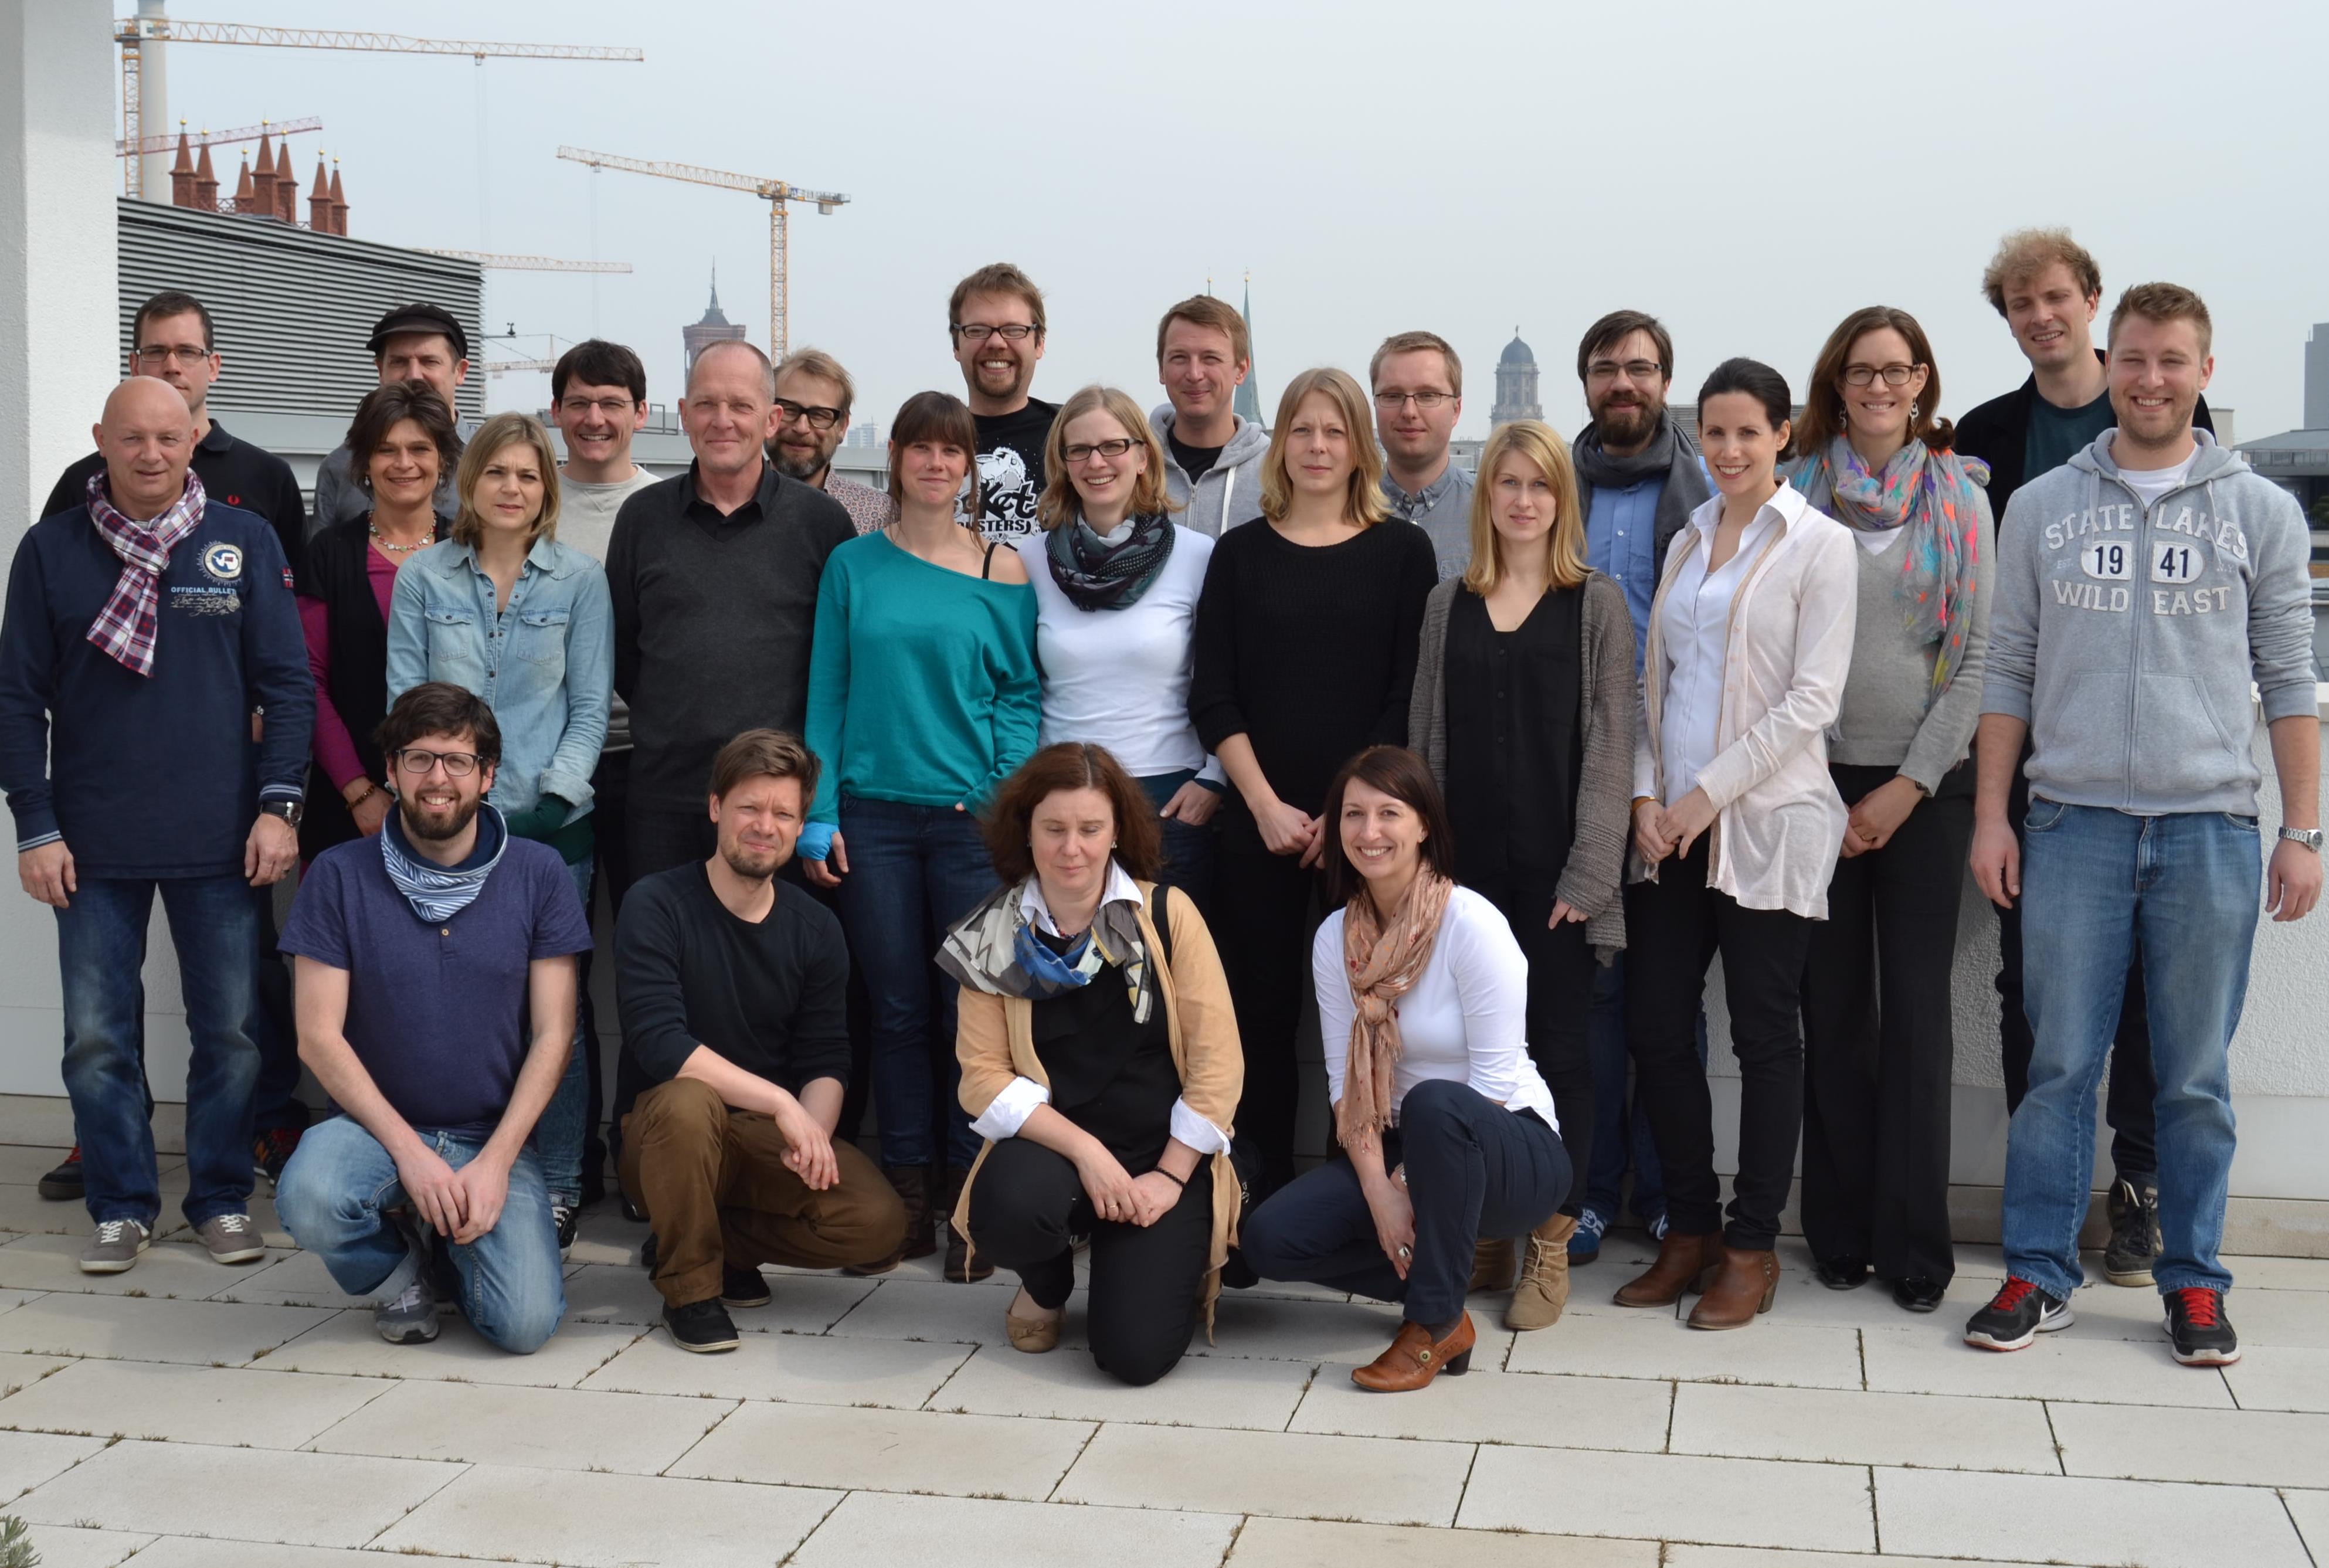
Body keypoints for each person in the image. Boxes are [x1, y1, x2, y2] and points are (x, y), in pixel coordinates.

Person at [1965, 283, 2318, 1367]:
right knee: (2059, 1061)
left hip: (2209, 825)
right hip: (2071, 821)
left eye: (2172, 359)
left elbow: (2289, 679)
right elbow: (2007, 668)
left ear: (2205, 371)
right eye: (2133, 358)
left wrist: (2302, 829)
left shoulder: (2257, 509)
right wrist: (1991, 813)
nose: (2150, 378)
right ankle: (2036, 1270)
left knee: (2194, 1074)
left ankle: (2195, 1282)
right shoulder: (2041, 507)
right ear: (2105, 361)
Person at [1955, 230, 2219, 1288]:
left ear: (2094, 307)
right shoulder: (1984, 434)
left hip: (2170, 775)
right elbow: (1995, 623)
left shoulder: (2172, 424)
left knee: (2157, 1002)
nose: (2038, 316)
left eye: (2054, 297)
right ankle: (2048, 1199)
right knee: (2037, 997)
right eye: (2019, 303)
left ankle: (2141, 1188)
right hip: (2037, 766)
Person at [0, 378, 311, 1274]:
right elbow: (17, 700)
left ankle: (218, 1197)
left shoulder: (242, 541)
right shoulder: (50, 550)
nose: (151, 454)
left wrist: (278, 804)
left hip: (223, 839)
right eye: (132, 437)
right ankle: (121, 1204)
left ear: (194, 435)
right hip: (88, 843)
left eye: (169, 437)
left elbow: (288, 687)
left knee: (233, 1032)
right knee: (99, 1035)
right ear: (101, 437)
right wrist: (35, 825)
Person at [1617, 358, 1856, 1331]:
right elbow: (1653, 683)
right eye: (1712, 432)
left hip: (1763, 825)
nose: (1727, 450)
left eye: (1746, 432)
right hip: (1665, 830)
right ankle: (1688, 1227)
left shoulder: (1818, 545)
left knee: (1764, 1039)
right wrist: (1644, 792)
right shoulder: (1684, 540)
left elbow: (1813, 700)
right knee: (1659, 1031)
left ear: (1782, 435)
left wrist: (1700, 798)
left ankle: (1751, 1245)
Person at [1781, 308, 1995, 1313]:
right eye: (1859, 370)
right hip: (1812, 784)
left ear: (1921, 381)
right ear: (1838, 380)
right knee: (1832, 1013)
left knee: (1915, 1015)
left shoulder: (1961, 497)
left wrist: (1908, 783)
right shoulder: (1796, 493)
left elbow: (1977, 660)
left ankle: (1913, 1242)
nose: (1877, 386)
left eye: (1895, 370)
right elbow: (1773, 649)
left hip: (1927, 791)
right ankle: (1837, 1226)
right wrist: (1822, 781)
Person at [800, 390, 1040, 1280]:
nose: (937, 465)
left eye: (954, 451)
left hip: (968, 826)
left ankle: (971, 1198)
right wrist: (817, 812)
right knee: (896, 1010)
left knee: (970, 1014)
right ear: (895, 458)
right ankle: (907, 1190)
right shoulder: (852, 567)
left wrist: (995, 795)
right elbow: (826, 693)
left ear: (969, 465)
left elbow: (1020, 700)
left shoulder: (1000, 570)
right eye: (921, 449)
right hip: (870, 821)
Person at [1240, 747, 1569, 1392]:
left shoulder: (1471, 925)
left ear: (1424, 826)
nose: (1370, 832)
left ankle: (1434, 1322)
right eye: (1353, 814)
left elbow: (1498, 1084)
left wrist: (1407, 1181)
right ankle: (1440, 1285)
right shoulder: (1335, 937)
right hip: (1402, 1145)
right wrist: (1380, 1193)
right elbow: (1345, 1083)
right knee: (1271, 1240)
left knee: (1436, 1104)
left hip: (1511, 1146)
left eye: (1389, 812)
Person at [274, 683, 587, 1351]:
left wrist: (497, 1162)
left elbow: (555, 1034)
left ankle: (447, 1242)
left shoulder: (540, 873)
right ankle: (398, 1273)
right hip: (374, 1132)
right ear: (390, 770)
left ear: (489, 774)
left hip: (488, 1137)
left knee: (526, 1326)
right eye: (418, 759)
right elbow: (316, 1034)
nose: (437, 778)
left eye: (457, 760)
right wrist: (411, 1157)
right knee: (309, 1194)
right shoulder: (337, 874)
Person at [1189, 367, 1438, 1202]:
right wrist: (1262, 804)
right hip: (1259, 824)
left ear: (1358, 445)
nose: (1320, 446)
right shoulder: (1240, 553)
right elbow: (1213, 691)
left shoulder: (1403, 552)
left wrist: (1350, 815)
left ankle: (1360, 1196)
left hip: (1365, 835)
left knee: (1370, 1017)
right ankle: (1252, 1193)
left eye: (1336, 431)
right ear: (1280, 443)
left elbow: (1405, 692)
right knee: (1257, 1014)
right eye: (1303, 429)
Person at [1408, 419, 1634, 1327]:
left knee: (1563, 1057)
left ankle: (1549, 1238)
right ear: (1487, 495)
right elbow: (1424, 739)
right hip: (1463, 878)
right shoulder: (1446, 602)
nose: (1525, 500)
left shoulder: (1599, 604)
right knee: (1470, 1059)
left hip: (1559, 877)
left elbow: (1617, 745)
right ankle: (1485, 1229)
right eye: (1508, 483)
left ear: (1561, 500)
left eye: (1541, 485)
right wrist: (1421, 872)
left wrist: (1590, 873)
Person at [946, 742, 1242, 1385]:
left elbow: (1219, 1062)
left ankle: (1150, 1263)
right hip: (1059, 1153)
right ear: (1026, 830)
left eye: (1090, 829)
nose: (1070, 848)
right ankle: (1049, 1285)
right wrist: (1087, 1153)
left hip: (1162, 1158)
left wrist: (1168, 1174)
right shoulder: (991, 933)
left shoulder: (1167, 915)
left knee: (1133, 1358)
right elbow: (982, 1078)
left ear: (1117, 833)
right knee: (1006, 1208)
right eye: (1053, 828)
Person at [388, 412, 613, 1253]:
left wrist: (550, 802)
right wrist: (456, 800)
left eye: (528, 475)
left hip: (554, 830)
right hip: (446, 828)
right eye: (497, 474)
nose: (512, 488)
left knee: (555, 1014)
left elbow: (590, 708)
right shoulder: (424, 580)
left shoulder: (579, 581)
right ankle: (449, 1170)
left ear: (545, 489)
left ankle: (557, 1182)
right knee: (452, 1002)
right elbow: (405, 704)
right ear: (469, 485)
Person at [617, 729, 907, 1353]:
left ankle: (713, 1241)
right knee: (690, 1100)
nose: (764, 826)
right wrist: (782, 1105)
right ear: (716, 806)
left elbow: (827, 1053)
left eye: (783, 813)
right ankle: (690, 1291)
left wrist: (814, 1138)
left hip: (758, 1141)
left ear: (801, 822)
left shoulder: (816, 928)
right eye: (750, 807)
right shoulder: (657, 903)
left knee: (880, 1224)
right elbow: (660, 1041)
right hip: (666, 1135)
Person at [1566, 311, 1715, 1265]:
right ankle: (1581, 1185)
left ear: (1665, 379)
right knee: (1586, 992)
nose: (1623, 382)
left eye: (1640, 367)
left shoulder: (1704, 488)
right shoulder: (1556, 476)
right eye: (1606, 368)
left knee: (1667, 996)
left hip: (1672, 766)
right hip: (1574, 757)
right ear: (1583, 380)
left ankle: (1667, 1192)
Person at [607, 338, 855, 885]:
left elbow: (837, 666)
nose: (723, 421)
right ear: (685, 415)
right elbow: (624, 647)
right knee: (659, 960)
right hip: (664, 798)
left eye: (740, 406)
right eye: (707, 404)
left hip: (777, 802)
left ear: (770, 420)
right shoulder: (641, 519)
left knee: (771, 967)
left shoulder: (824, 525)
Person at [1017, 385, 1222, 909]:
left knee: (1169, 969)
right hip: (1062, 800)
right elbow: (1014, 685)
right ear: (1061, 464)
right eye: (1079, 450)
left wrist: (1214, 779)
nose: (1096, 462)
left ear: (1142, 456)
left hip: (1170, 800)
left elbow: (1228, 678)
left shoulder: (1199, 557)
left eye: (1112, 446)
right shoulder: (1027, 560)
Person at [546, 338, 661, 1203]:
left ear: (639, 414)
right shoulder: (529, 500)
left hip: (649, 766)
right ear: (558, 411)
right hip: (551, 776)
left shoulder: (662, 507)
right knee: (557, 970)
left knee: (650, 966)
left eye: (611, 403)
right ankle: (566, 1150)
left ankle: (642, 1150)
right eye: (579, 402)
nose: (595, 418)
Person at [297, 385, 460, 863]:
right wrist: (360, 793)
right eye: (385, 449)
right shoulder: (328, 553)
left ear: (443, 460)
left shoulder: (474, 553)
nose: (403, 463)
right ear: (364, 462)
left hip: (454, 804)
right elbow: (310, 681)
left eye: (419, 449)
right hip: (348, 807)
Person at [43, 289, 307, 577]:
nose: (172, 367)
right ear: (134, 365)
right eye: (156, 352)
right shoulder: (83, 480)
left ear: (213, 366)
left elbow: (295, 599)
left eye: (188, 352)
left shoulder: (268, 477)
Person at [311, 303, 477, 532]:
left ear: (460, 371)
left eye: (429, 361)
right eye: (399, 362)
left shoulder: (492, 460)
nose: (414, 375)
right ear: (380, 370)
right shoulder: (340, 466)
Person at [948, 263, 1057, 541]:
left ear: (1039, 342)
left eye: (1013, 330)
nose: (996, 343)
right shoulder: (931, 438)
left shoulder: (1073, 435)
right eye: (978, 330)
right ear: (956, 345)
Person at [1149, 296, 1268, 538]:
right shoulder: (1131, 466)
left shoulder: (1277, 472)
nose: (1194, 374)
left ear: (1242, 369)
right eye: (1179, 358)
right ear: (1162, 369)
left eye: (1210, 358)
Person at [1371, 331, 1474, 579]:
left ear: (1456, 410)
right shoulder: (1342, 511)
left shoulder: (1494, 512)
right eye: (1393, 396)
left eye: (1428, 395)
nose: (1409, 411)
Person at [771, 347, 895, 534]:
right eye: (789, 410)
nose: (802, 427)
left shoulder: (881, 517)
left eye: (820, 415)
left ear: (843, 426)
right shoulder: (725, 503)